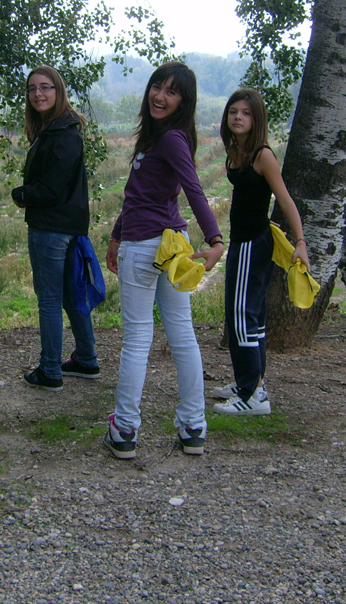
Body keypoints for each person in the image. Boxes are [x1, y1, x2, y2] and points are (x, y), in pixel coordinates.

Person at [103, 61, 224, 459]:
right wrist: (115, 236)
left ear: (183, 102)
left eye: (172, 92)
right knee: (181, 335)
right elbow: (136, 193)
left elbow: (194, 190)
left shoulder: (171, 139)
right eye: (157, 86)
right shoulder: (157, 137)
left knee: (141, 338)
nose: (160, 96)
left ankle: (125, 429)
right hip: (164, 243)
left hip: (151, 247)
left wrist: (216, 240)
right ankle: (192, 427)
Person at [212, 89, 310, 416]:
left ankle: (252, 395)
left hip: (253, 243)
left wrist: (300, 243)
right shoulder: (236, 151)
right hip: (243, 242)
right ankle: (252, 383)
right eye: (233, 112)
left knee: (241, 316)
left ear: (257, 119)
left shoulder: (262, 155)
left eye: (246, 113)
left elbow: (285, 200)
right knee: (251, 317)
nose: (238, 117)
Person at [11, 66, 100, 391]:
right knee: (71, 296)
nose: (38, 94)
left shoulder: (63, 134)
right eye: (32, 88)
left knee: (49, 299)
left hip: (51, 228)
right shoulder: (59, 129)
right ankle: (86, 360)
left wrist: (22, 194)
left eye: (45, 87)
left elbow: (52, 189)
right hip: (68, 226)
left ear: (58, 90)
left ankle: (50, 370)